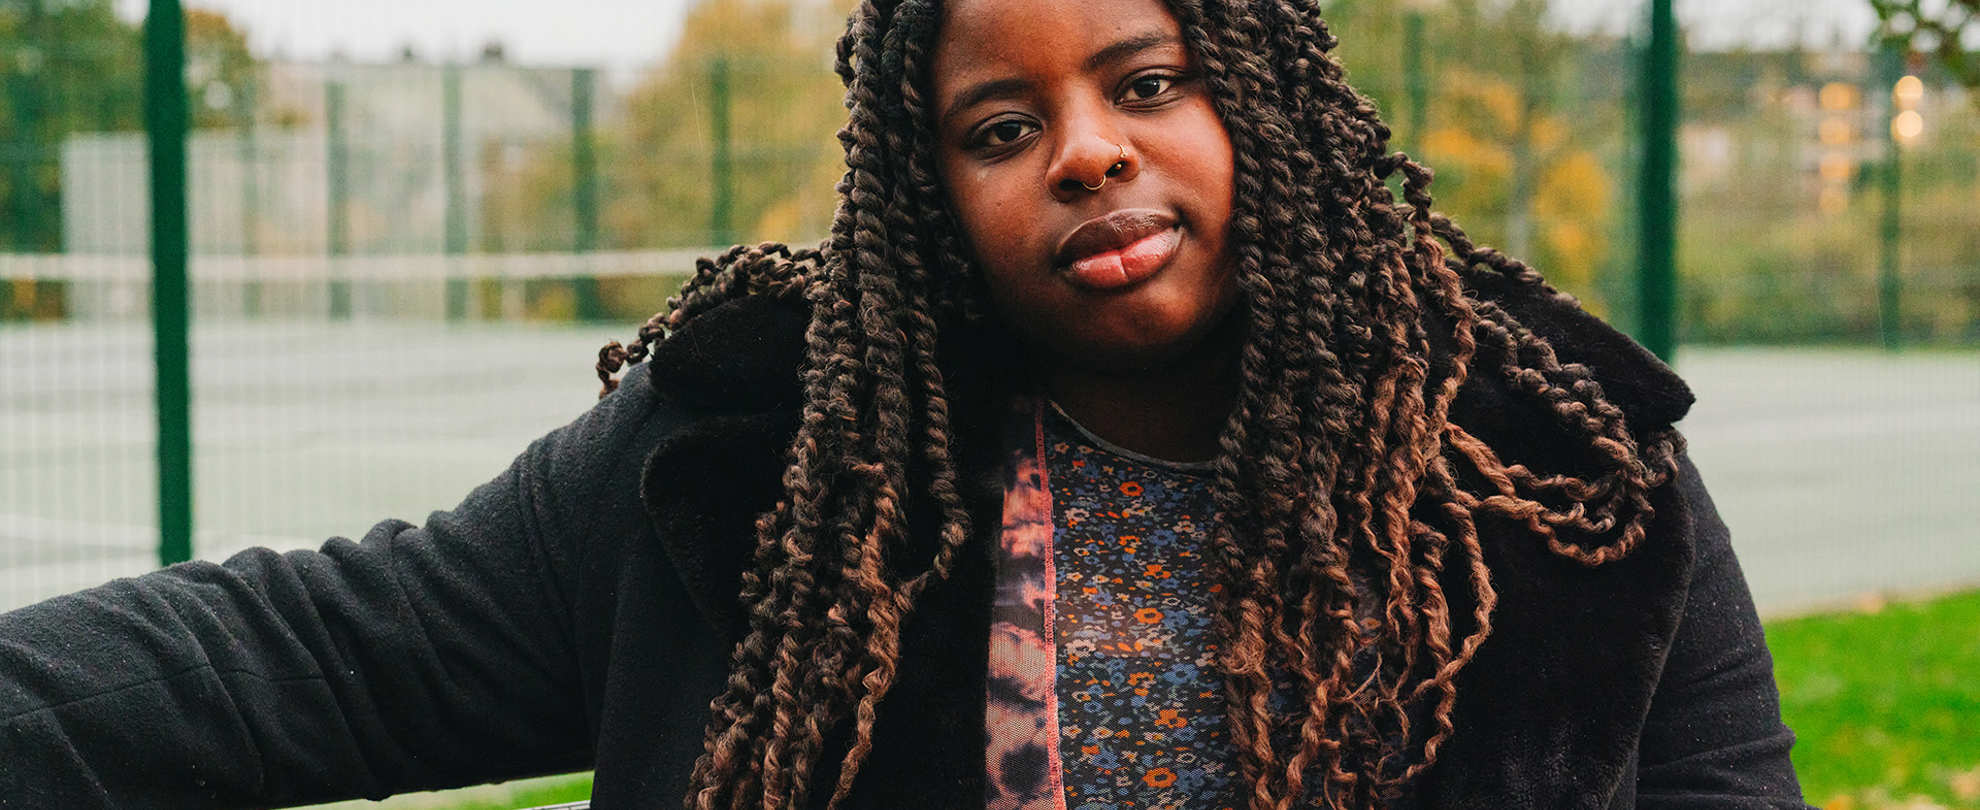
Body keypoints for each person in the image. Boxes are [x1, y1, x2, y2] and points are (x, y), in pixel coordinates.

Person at [0, 0, 1810, 807]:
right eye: (1001, 128)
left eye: (1147, 79)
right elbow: (322, 651)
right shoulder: (770, 462)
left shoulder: (1556, 468)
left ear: (1258, 94)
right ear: (931, 196)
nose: (1087, 151)